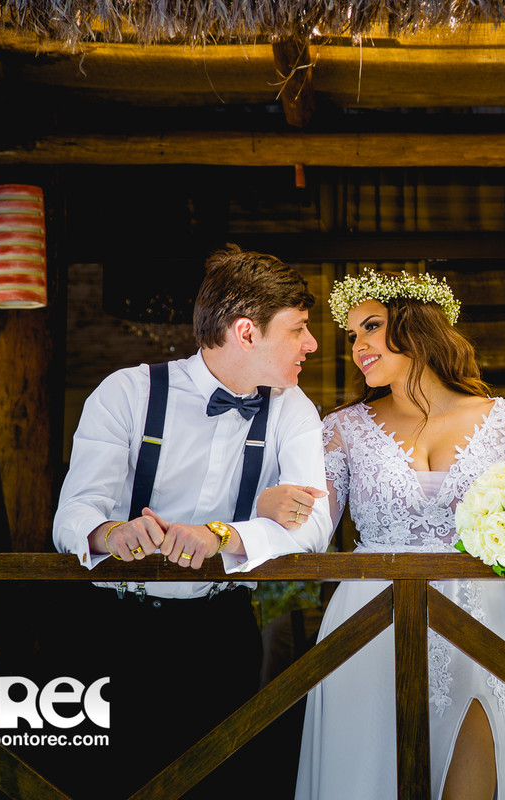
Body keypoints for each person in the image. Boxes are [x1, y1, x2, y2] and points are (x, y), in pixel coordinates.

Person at [49, 244, 332, 798]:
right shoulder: (127, 393)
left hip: (219, 630)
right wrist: (112, 533)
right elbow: (73, 515)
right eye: (299, 328)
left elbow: (315, 523)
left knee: (215, 783)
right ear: (247, 332)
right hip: (113, 625)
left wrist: (222, 535)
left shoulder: (292, 407)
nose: (312, 343)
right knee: (103, 782)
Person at [261, 270, 505, 800]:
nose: (358, 346)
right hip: (369, 619)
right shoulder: (342, 428)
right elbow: (309, 530)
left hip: (476, 618)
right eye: (351, 336)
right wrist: (265, 505)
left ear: (418, 327)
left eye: (370, 326)